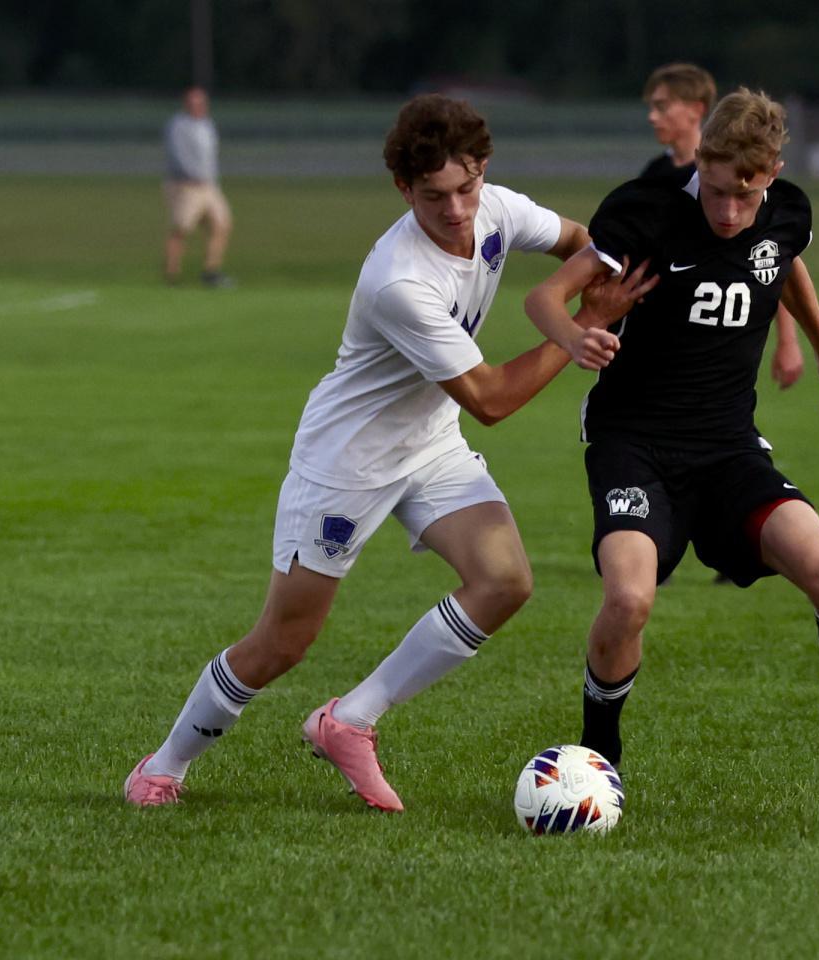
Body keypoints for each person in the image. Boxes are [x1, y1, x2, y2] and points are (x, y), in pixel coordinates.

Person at [125, 94, 654, 811]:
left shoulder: (496, 207)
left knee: (504, 582)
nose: (458, 209)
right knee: (283, 642)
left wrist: (617, 281)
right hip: (348, 462)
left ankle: (350, 721)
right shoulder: (400, 280)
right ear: (403, 190)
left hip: (429, 442)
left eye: (466, 188)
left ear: (482, 171)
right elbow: (492, 399)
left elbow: (580, 242)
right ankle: (162, 766)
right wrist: (583, 324)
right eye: (435, 196)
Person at [525, 88, 819, 812]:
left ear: (772, 174)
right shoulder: (646, 211)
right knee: (630, 597)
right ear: (702, 158)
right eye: (719, 189)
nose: (729, 210)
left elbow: (783, 262)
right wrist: (576, 336)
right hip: (633, 442)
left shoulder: (787, 209)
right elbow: (543, 297)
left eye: (746, 193)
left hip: (729, 448)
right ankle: (598, 764)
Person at [641, 63, 804, 395]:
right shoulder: (654, 176)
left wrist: (788, 339)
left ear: (696, 110)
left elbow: (772, 257)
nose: (652, 117)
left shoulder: (743, 171)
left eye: (662, 106)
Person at [162, 86, 234, 287]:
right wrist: (193, 176)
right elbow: (179, 156)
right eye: (194, 103)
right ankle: (171, 274)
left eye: (201, 102)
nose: (199, 106)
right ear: (187, 104)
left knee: (222, 224)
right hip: (188, 186)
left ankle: (211, 271)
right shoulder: (178, 126)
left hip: (209, 186)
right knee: (182, 229)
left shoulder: (206, 125)